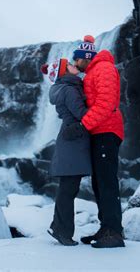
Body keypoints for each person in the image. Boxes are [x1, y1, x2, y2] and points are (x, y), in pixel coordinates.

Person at [64, 35, 125, 248]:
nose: (74, 62)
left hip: (107, 131)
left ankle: (114, 233)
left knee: (106, 181)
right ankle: (106, 228)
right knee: (100, 182)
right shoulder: (92, 72)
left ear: (85, 57)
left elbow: (106, 103)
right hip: (99, 131)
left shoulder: (104, 69)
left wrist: (82, 126)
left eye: (76, 59)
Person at [40, 58, 91, 246]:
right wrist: (103, 109)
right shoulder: (70, 89)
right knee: (69, 189)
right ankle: (63, 232)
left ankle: (58, 227)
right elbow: (83, 115)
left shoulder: (65, 88)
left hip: (70, 139)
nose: (74, 65)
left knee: (67, 188)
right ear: (64, 72)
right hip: (73, 141)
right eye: (69, 64)